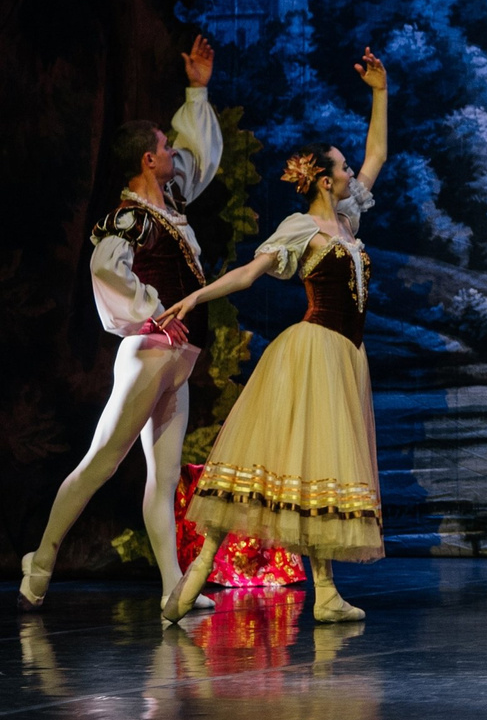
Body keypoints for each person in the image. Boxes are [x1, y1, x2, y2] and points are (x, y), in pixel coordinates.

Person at [162, 49, 394, 624]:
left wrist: (380, 93)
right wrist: (197, 296)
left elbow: (377, 156)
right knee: (272, 461)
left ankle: (327, 593)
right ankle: (200, 569)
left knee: (318, 472)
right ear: (324, 180)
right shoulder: (302, 228)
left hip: (346, 356)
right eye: (342, 169)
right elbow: (249, 273)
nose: (351, 173)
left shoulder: (348, 221)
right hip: (311, 352)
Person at [22, 36, 222, 612]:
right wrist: (153, 310)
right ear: (146, 160)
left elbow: (199, 159)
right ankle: (42, 558)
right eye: (163, 147)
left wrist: (198, 91)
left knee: (163, 478)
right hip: (149, 354)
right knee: (102, 462)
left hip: (177, 361)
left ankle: (172, 587)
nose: (172, 151)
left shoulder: (169, 206)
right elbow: (106, 269)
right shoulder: (130, 217)